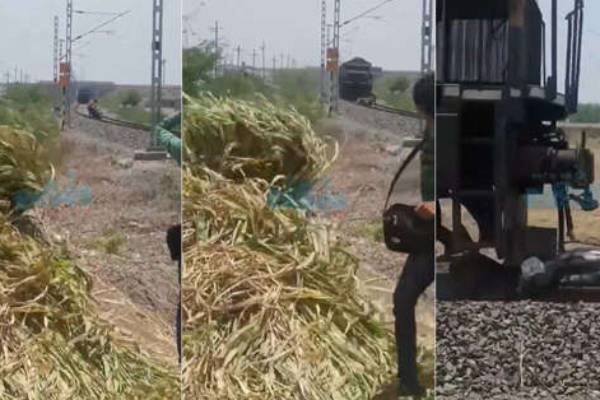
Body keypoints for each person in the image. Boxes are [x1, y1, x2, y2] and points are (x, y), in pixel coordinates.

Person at [393, 73, 434, 397]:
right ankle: (409, 379)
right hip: (439, 231)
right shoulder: (438, 132)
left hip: (441, 234)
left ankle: (409, 383)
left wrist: (436, 205)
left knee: (403, 299)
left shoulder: (441, 136)